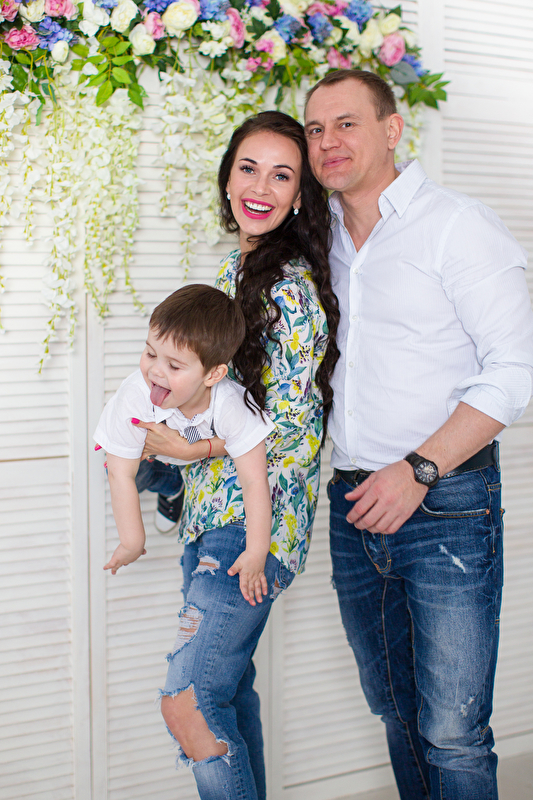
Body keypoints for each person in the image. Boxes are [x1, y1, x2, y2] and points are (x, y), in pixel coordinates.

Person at [304, 67, 533, 800]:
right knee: (397, 712)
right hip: (352, 506)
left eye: (346, 123)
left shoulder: (456, 225)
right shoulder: (316, 240)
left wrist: (418, 470)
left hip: (445, 503)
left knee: (453, 731)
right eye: (315, 129)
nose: (328, 142)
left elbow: (516, 368)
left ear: (392, 129)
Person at [133, 111, 339, 800]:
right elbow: (223, 398)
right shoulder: (234, 269)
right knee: (228, 697)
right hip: (209, 515)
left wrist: (190, 448)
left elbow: (292, 430)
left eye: (282, 176)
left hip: (253, 526)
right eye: (248, 168)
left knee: (189, 702)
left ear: (300, 195)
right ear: (226, 178)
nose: (260, 187)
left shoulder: (291, 289)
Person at [93, 284, 275, 605]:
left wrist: (256, 551)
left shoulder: (232, 405)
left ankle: (175, 478)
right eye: (151, 354)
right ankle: (169, 484)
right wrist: (132, 542)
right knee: (116, 466)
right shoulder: (134, 396)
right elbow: (120, 474)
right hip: (153, 453)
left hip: (193, 450)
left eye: (174, 366)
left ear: (213, 375)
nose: (155, 372)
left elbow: (254, 480)